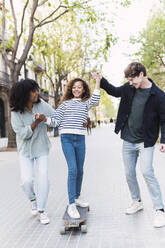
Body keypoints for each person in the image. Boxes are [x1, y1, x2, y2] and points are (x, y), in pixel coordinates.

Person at [92, 62, 165, 228]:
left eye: (133, 79)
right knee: (129, 173)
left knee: (147, 172)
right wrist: (101, 80)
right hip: (128, 140)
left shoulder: (158, 95)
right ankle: (136, 201)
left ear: (141, 74)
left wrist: (164, 140)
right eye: (129, 80)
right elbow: (114, 91)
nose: (130, 83)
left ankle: (159, 210)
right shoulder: (129, 88)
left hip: (145, 142)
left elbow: (164, 119)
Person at [37, 77, 100, 219]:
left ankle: (77, 197)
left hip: (80, 138)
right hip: (67, 139)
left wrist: (98, 81)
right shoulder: (64, 104)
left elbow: (96, 100)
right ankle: (71, 204)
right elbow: (55, 122)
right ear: (71, 89)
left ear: (83, 90)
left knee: (80, 170)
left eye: (79, 87)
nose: (76, 89)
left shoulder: (85, 103)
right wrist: (43, 118)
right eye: (74, 87)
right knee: (73, 170)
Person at [10, 79, 55, 224]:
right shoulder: (16, 112)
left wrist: (45, 119)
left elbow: (55, 117)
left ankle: (42, 210)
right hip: (25, 151)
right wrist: (36, 123)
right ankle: (32, 199)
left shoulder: (42, 105)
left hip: (41, 147)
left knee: (43, 177)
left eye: (37, 90)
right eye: (33, 91)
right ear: (24, 94)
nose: (37, 93)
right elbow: (23, 134)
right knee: (26, 180)